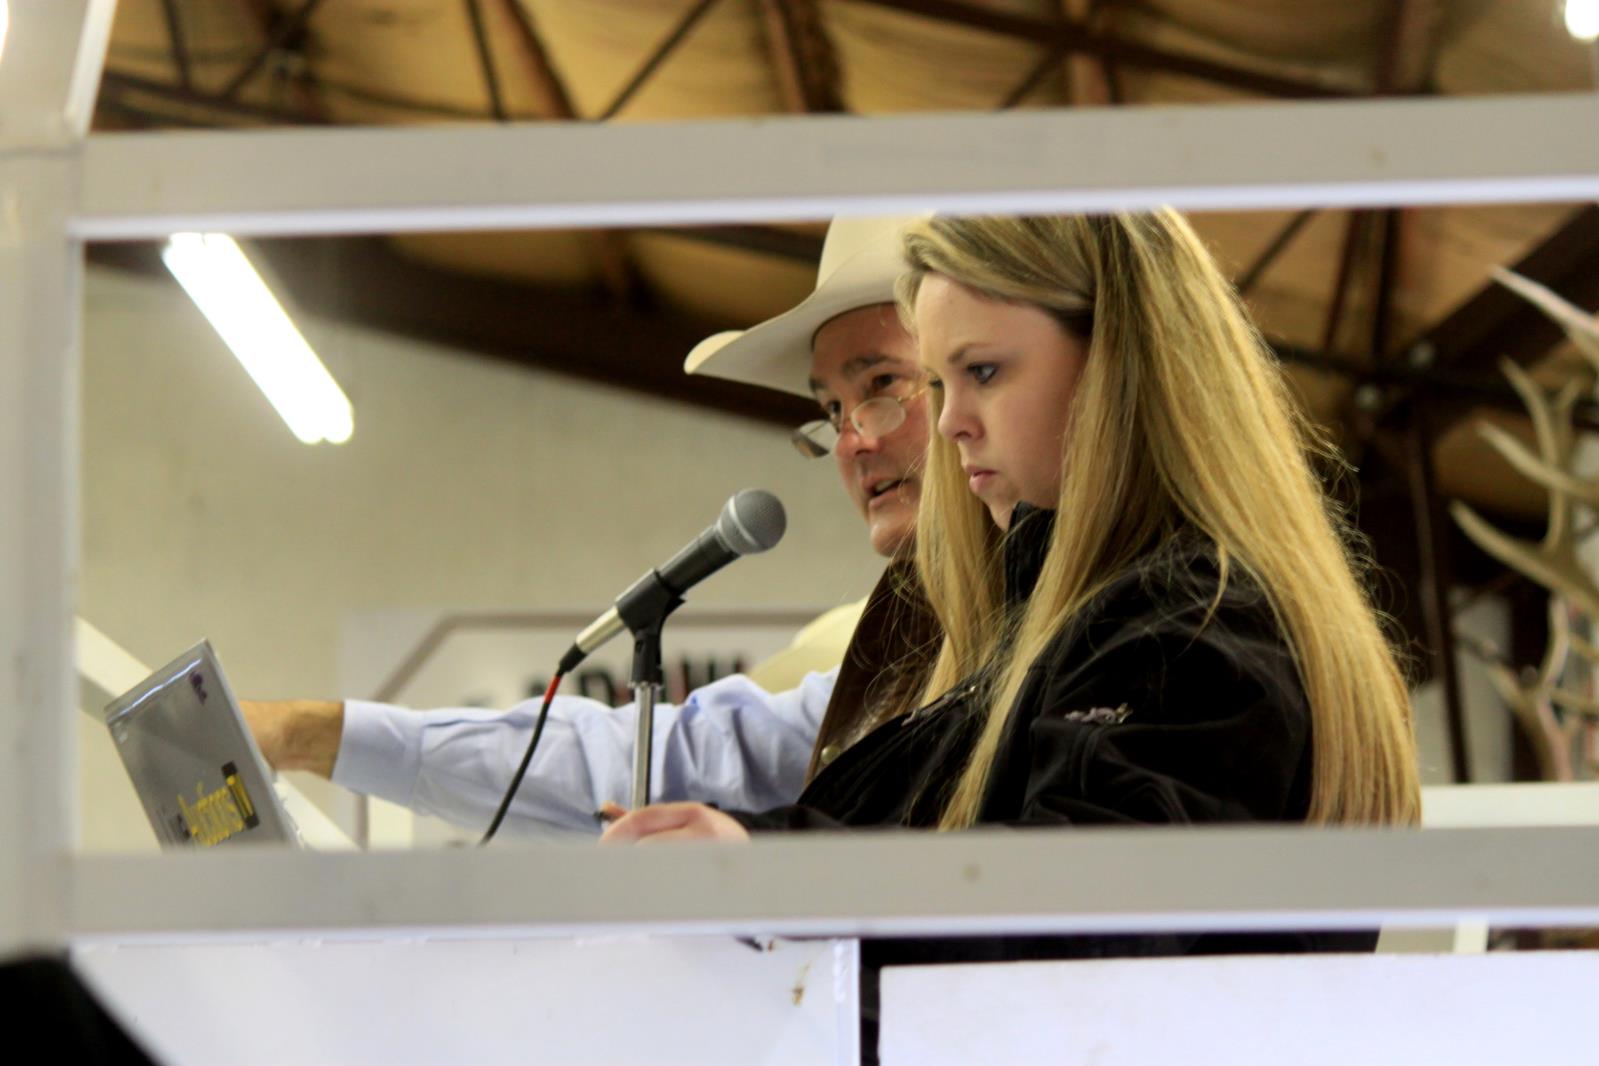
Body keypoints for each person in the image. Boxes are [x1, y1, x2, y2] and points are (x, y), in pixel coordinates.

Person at [243, 215, 940, 836]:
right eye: (832, 410)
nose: (850, 444)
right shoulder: (897, 655)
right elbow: (672, 757)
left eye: (881, 386)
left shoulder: (1024, 635)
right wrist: (319, 734)